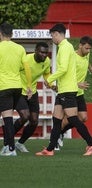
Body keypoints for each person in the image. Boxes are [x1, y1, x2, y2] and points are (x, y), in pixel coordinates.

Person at [35, 23, 92, 156]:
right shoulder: (67, 47)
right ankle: (50, 149)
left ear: (57, 34)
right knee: (56, 119)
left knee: (74, 119)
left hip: (68, 90)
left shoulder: (64, 47)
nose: (52, 38)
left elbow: (63, 68)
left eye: (52, 35)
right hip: (63, 89)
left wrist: (50, 79)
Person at [57, 36, 92, 149]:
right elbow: (65, 76)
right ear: (80, 46)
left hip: (79, 93)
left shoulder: (86, 54)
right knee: (72, 118)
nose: (88, 51)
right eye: (86, 48)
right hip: (70, 91)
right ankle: (57, 133)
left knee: (83, 118)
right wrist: (76, 84)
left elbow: (87, 62)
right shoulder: (73, 57)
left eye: (90, 49)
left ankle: (60, 132)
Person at [7, 42, 51, 153]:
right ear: (35, 51)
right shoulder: (25, 59)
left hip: (33, 93)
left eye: (46, 53)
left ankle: (20, 143)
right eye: (41, 52)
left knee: (34, 121)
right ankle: (8, 140)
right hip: (19, 92)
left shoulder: (47, 61)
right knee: (24, 116)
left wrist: (50, 82)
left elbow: (46, 74)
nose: (44, 55)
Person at [0, 22, 31, 156]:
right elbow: (27, 68)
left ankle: (10, 148)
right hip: (17, 87)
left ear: (0, 34)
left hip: (4, 86)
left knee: (7, 118)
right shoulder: (20, 48)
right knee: (7, 117)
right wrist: (29, 86)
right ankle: (8, 146)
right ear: (12, 34)